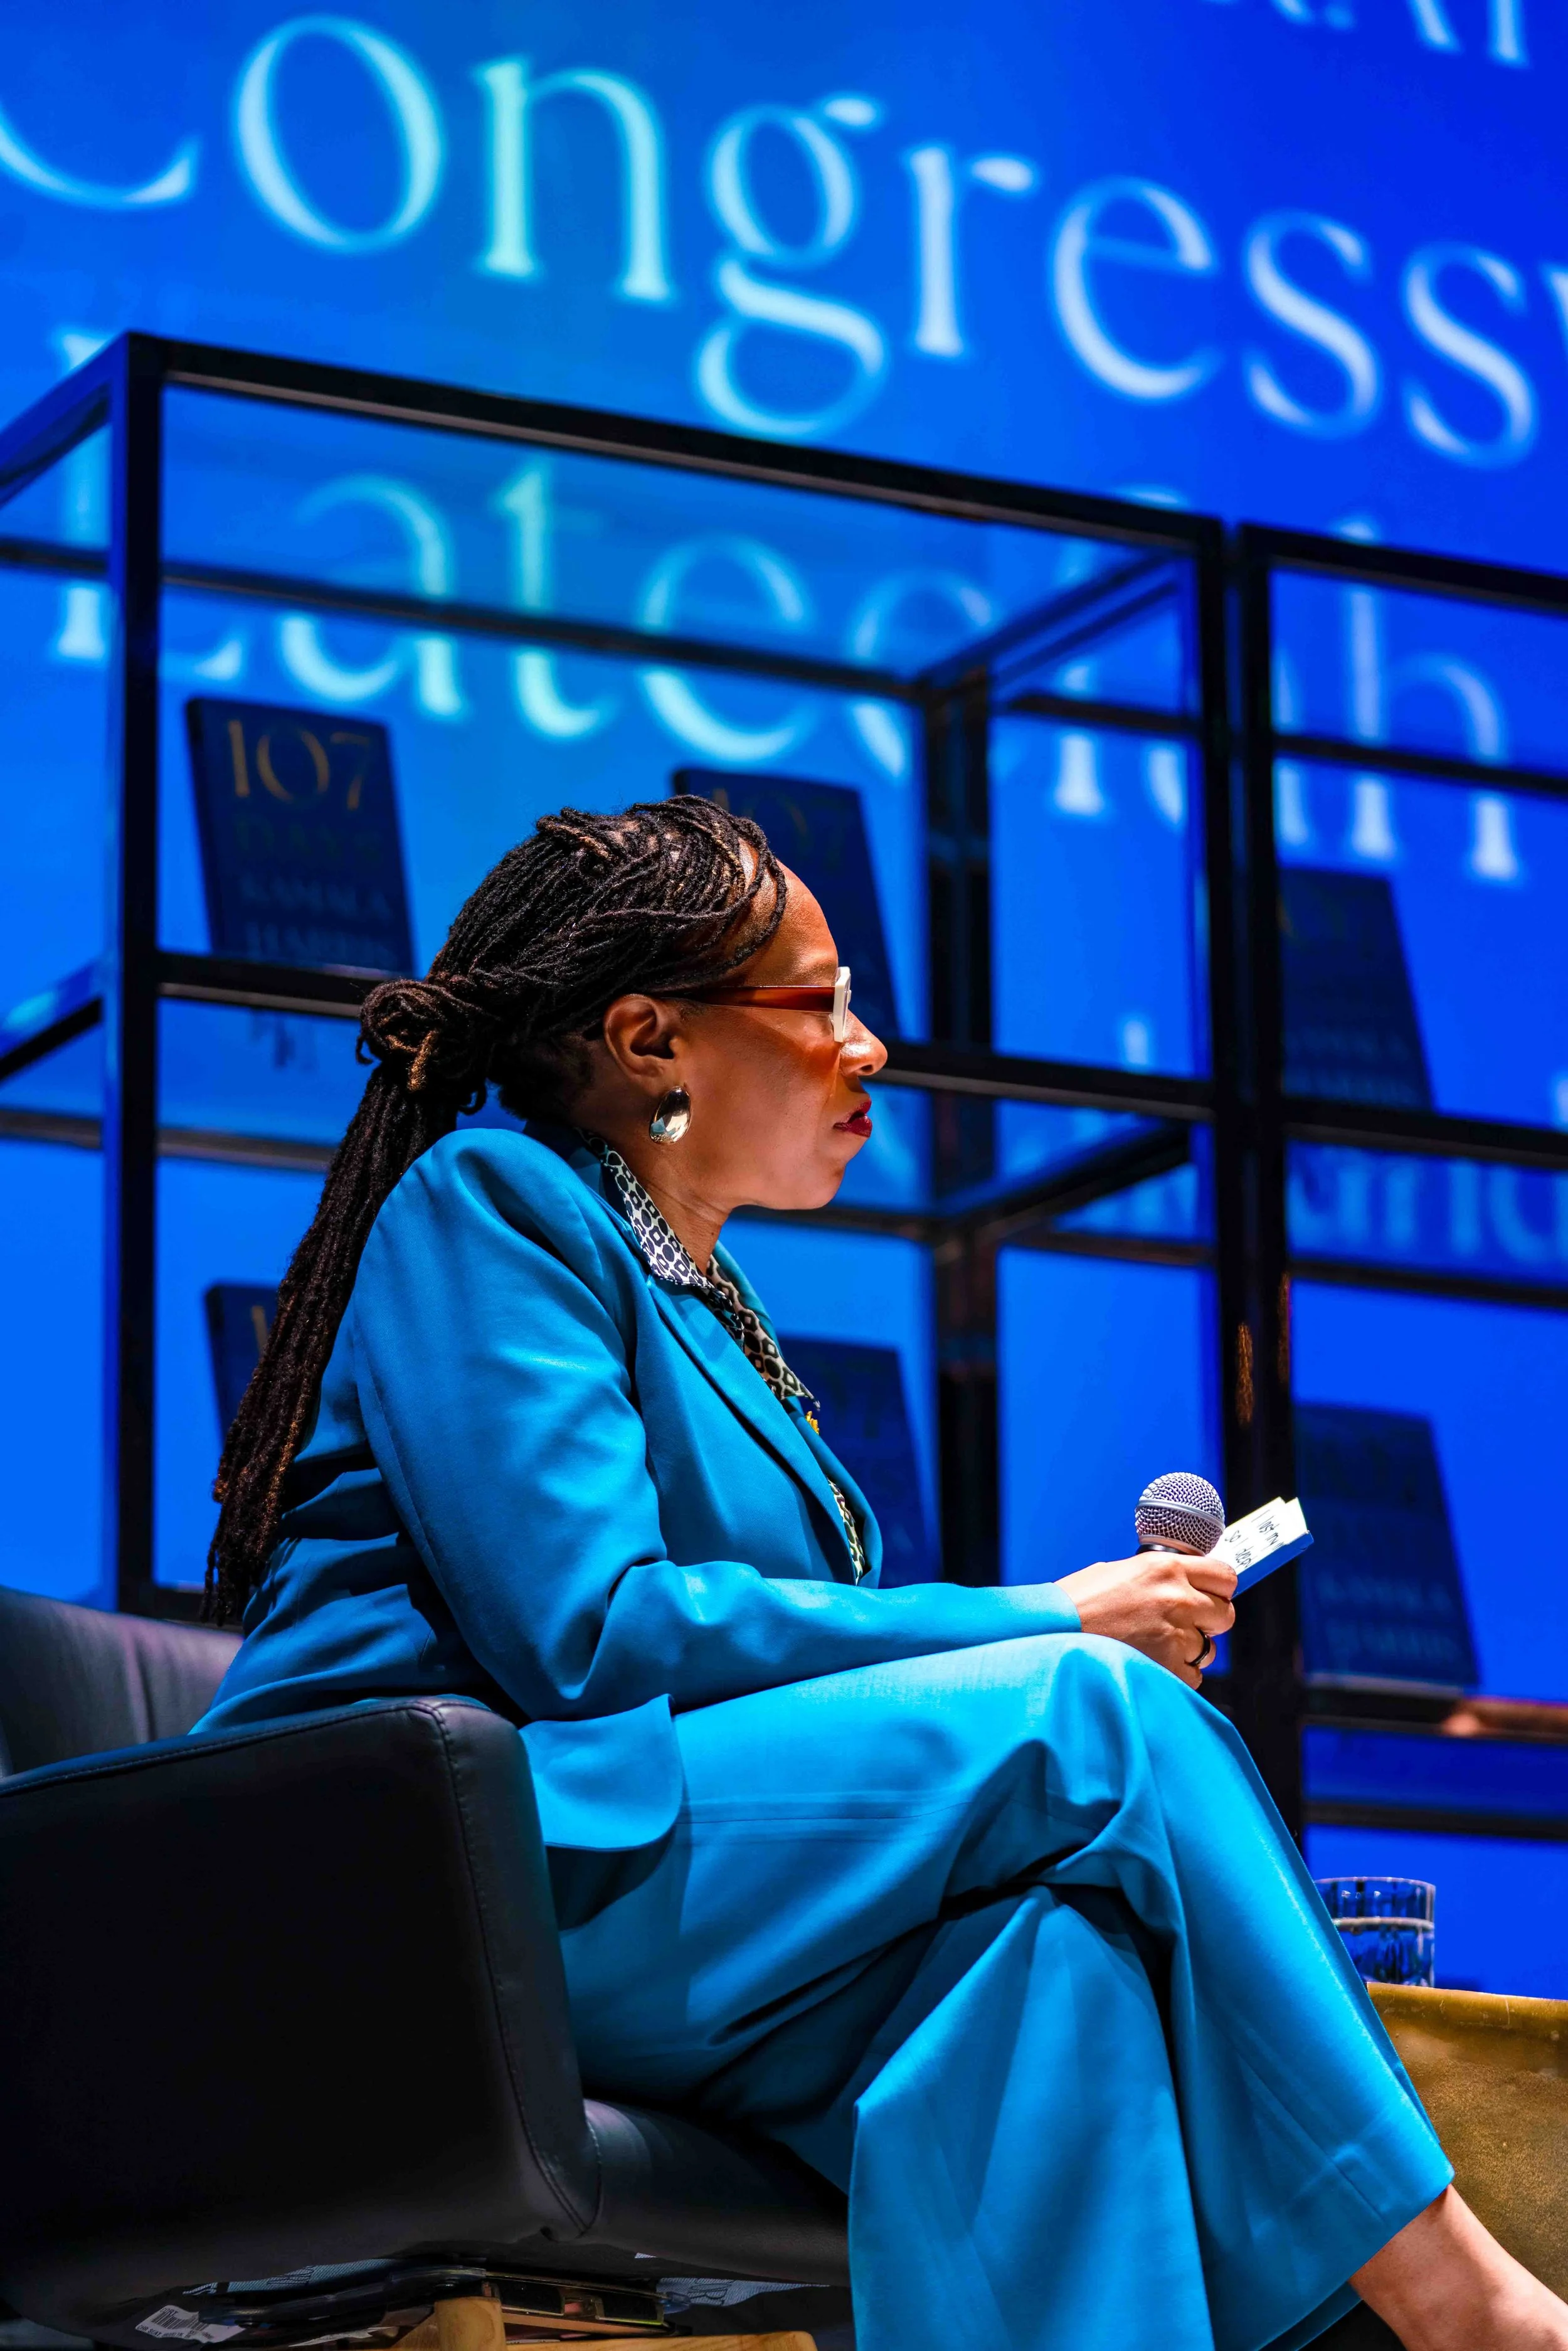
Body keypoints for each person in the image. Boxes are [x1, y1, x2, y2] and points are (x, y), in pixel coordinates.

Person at [197, 797, 1566, 2351]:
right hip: (423, 1891)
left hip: (639, 1890)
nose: (870, 1046)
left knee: (1051, 1966)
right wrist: (1045, 1615)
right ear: (652, 1038)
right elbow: (594, 1635)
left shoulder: (704, 1296)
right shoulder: (491, 1206)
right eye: (825, 999)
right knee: (1092, 1710)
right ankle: (1467, 2303)